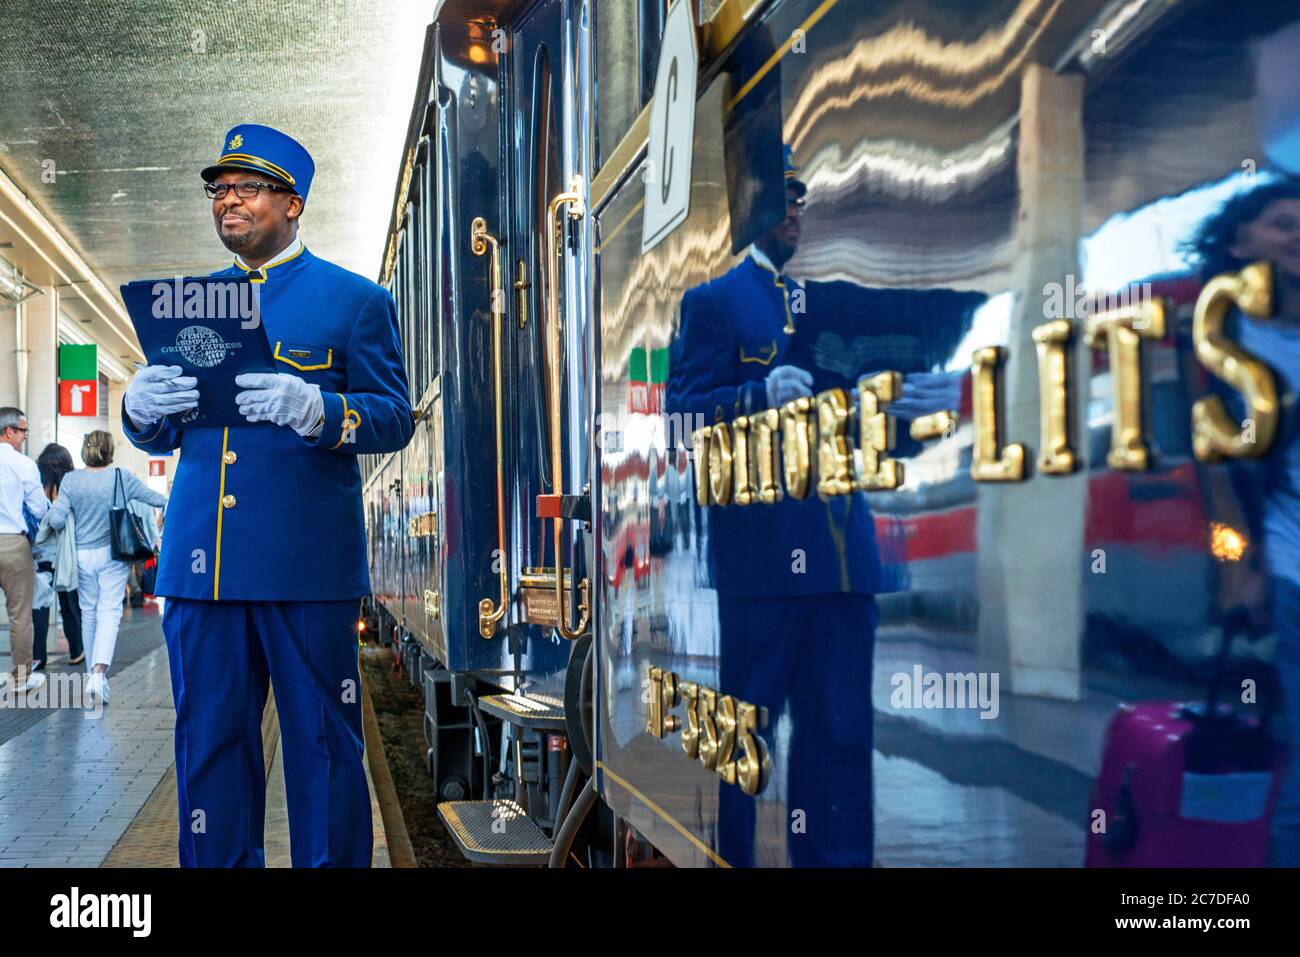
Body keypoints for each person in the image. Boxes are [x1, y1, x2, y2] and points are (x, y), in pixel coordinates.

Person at [121, 124, 413, 867]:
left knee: (320, 744)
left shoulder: (354, 301)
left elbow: (395, 415)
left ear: (294, 202)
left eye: (246, 189)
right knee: (209, 746)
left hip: (304, 567)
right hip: (202, 568)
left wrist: (322, 410)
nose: (228, 202)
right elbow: (165, 433)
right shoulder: (186, 301)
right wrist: (140, 407)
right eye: (219, 190)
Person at [666, 150, 882, 866]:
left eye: (802, 198)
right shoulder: (715, 302)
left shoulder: (832, 298)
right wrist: (754, 397)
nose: (797, 209)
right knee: (745, 741)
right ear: (753, 204)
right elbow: (682, 420)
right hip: (762, 564)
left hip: (845, 558)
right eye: (784, 196)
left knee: (842, 741)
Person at [1185, 176, 1300, 865]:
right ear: (1238, 242)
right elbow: (1218, 477)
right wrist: (1236, 567)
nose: (1298, 232)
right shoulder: (1219, 340)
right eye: (1280, 222)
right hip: (1292, 567)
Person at [44, 431, 165, 704]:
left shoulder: (71, 481)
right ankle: (99, 674)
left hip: (82, 556)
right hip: (114, 554)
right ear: (110, 450)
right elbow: (157, 498)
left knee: (89, 613)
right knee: (109, 611)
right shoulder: (121, 477)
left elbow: (57, 520)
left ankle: (92, 677)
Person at [0, 408, 49, 693]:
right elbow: (39, 508)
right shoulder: (23, 464)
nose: (24, 437)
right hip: (13, 545)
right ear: (8, 432)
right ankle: (20, 679)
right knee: (20, 615)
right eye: (22, 431)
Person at [31, 443, 84, 671]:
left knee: (40, 603)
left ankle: (38, 655)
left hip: (44, 551)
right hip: (66, 552)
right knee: (69, 600)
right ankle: (77, 648)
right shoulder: (74, 485)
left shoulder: (42, 484)